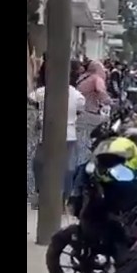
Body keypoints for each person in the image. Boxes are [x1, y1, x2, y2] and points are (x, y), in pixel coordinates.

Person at [29, 66, 87, 209]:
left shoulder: (43, 92)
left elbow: (32, 100)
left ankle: (42, 194)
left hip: (48, 134)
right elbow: (79, 111)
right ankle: (62, 198)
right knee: (66, 168)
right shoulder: (77, 95)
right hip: (68, 135)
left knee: (40, 164)